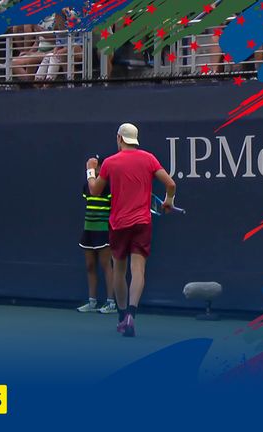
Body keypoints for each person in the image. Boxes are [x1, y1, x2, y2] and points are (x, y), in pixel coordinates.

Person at [86, 123, 176, 337]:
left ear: (119, 138)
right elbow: (171, 184)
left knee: (119, 270)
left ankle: (122, 316)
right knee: (138, 271)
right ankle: (131, 316)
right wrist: (168, 201)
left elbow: (94, 191)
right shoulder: (148, 158)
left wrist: (90, 169)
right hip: (142, 223)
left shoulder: (109, 162)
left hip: (119, 225)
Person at [77, 157, 116, 314]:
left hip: (103, 231)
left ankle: (111, 303)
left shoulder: (108, 186)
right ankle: (92, 301)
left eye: (98, 166)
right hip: (89, 230)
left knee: (106, 265)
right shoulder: (87, 186)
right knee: (90, 266)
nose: (96, 169)